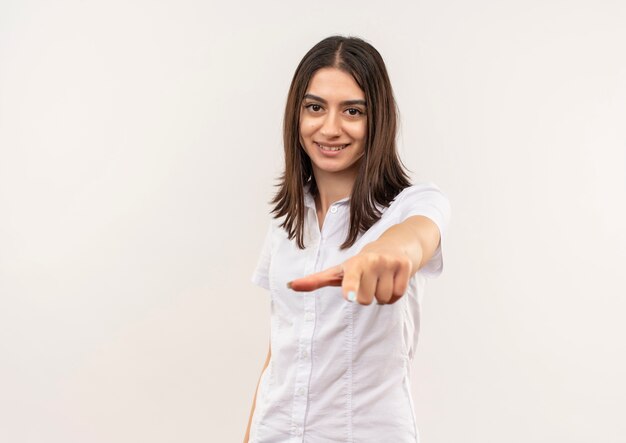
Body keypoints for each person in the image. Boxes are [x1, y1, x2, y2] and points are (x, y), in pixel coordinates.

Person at [244, 35, 451, 443]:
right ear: (296, 115)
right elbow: (280, 353)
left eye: (352, 111)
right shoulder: (286, 222)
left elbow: (415, 237)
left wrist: (388, 252)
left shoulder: (412, 205)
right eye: (315, 107)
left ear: (377, 120)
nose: (330, 128)